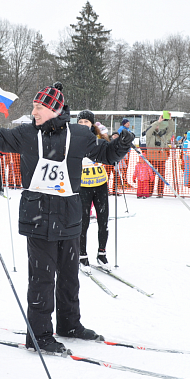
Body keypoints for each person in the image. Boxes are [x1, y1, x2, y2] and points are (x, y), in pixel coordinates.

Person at [0, 83, 134, 353]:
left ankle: (70, 324)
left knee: (70, 276)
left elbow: (106, 155)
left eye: (39, 107)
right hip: (38, 217)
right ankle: (39, 335)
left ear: (53, 110)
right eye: (34, 106)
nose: (33, 111)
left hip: (69, 217)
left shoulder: (80, 134)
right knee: (42, 279)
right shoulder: (27, 134)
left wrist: (121, 145)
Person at [76, 110, 110, 274]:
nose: (83, 125)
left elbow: (111, 153)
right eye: (80, 122)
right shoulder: (73, 140)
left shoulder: (99, 140)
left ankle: (102, 254)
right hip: (83, 187)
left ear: (92, 124)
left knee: (103, 221)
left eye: (86, 122)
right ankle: (82, 255)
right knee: (84, 223)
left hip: (101, 184)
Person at [145, 112, 175, 198]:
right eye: (156, 125)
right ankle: (150, 191)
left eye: (159, 125)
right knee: (151, 176)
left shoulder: (163, 133)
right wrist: (157, 122)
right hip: (152, 157)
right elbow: (149, 130)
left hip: (161, 157)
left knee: (162, 176)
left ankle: (160, 192)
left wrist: (170, 119)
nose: (158, 127)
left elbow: (171, 128)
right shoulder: (149, 134)